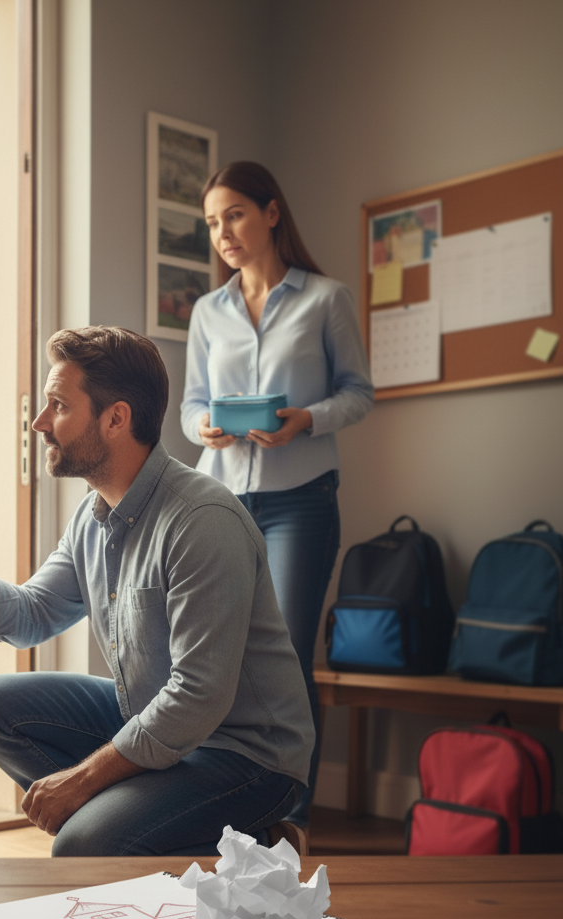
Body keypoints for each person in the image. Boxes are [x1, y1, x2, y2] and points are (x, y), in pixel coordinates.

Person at [0, 326, 314, 857]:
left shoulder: (202, 520)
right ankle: (151, 818)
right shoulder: (92, 515)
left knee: (80, 848)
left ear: (115, 418)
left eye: (57, 405)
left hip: (245, 754)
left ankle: (250, 836)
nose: (40, 424)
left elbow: (199, 696)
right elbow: (30, 615)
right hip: (158, 721)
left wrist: (82, 782)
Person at [180, 162, 374, 834]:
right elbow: (191, 405)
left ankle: (290, 811)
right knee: (217, 652)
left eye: (233, 214)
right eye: (211, 222)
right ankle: (227, 801)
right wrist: (201, 427)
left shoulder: (326, 299)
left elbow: (358, 393)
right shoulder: (209, 311)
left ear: (270, 213)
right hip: (222, 498)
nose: (222, 232)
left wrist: (303, 421)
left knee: (287, 655)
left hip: (301, 500)